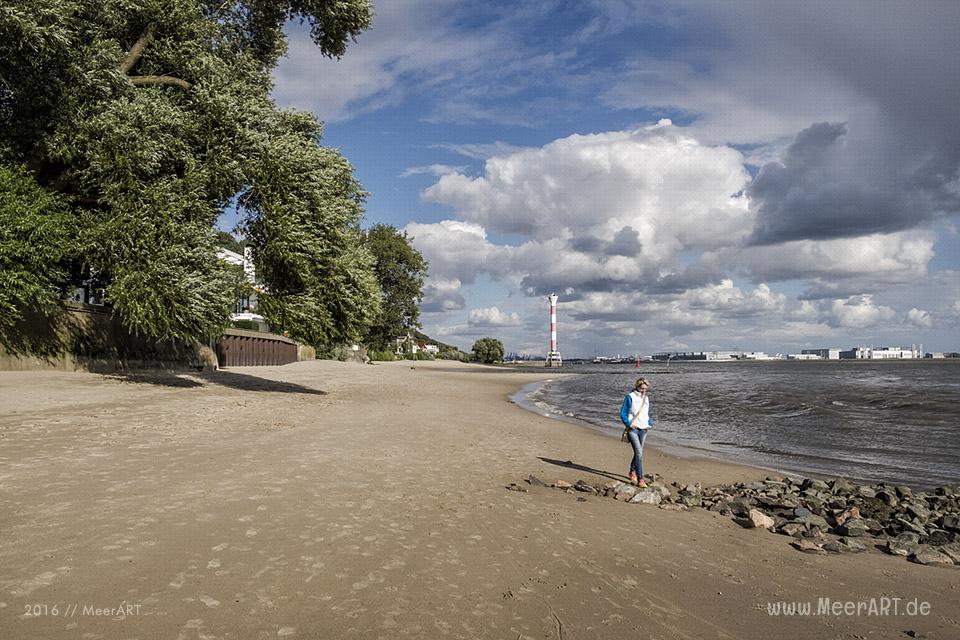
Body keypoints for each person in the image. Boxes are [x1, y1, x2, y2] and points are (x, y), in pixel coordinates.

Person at [620, 377, 653, 487]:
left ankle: (632, 471)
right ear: (637, 386)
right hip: (633, 429)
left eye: (645, 389)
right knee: (639, 453)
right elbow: (623, 413)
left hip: (644, 429)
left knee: (639, 453)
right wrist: (629, 424)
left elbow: (646, 413)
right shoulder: (630, 397)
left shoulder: (646, 398)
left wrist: (650, 423)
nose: (644, 391)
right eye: (642, 388)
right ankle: (641, 479)